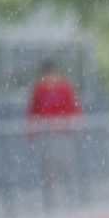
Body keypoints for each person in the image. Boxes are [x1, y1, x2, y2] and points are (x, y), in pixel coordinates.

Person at [27, 59, 83, 207]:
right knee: (49, 166)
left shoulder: (64, 87)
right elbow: (33, 111)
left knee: (67, 163)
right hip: (47, 134)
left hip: (64, 133)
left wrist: (73, 124)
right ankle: (52, 198)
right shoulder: (39, 89)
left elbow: (74, 107)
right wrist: (33, 131)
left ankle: (72, 193)